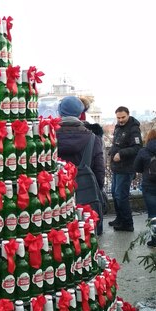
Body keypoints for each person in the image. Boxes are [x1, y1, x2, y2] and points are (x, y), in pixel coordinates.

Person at [56, 95, 106, 233]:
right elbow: (99, 170)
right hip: (85, 196)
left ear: (60, 112)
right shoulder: (92, 138)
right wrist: (97, 189)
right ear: (80, 114)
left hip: (57, 195)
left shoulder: (49, 137)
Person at [108, 106, 142, 232]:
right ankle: (120, 218)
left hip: (126, 168)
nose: (121, 120)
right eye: (118, 118)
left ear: (128, 115)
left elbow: (137, 148)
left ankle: (127, 223)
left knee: (121, 196)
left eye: (123, 117)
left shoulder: (133, 129)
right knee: (114, 193)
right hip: (117, 167)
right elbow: (116, 143)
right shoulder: (118, 127)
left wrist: (121, 154)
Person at [133, 127, 156, 247]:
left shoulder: (143, 151)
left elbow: (136, 167)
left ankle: (155, 240)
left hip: (149, 185)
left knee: (153, 214)